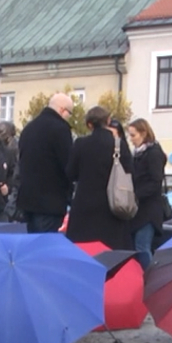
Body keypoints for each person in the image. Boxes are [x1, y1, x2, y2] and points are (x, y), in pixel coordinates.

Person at [66, 106, 134, 250]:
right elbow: (129, 170)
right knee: (112, 252)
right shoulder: (119, 145)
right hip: (112, 206)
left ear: (89, 124)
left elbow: (70, 173)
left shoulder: (81, 144)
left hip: (84, 207)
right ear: (108, 121)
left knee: (84, 250)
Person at [17, 93, 74, 232]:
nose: (69, 118)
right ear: (62, 110)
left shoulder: (29, 128)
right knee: (45, 247)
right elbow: (68, 164)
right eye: (70, 113)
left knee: (32, 245)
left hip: (28, 200)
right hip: (50, 202)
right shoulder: (60, 128)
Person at [127, 118, 166, 270]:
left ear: (144, 133)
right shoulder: (137, 154)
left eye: (133, 135)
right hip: (138, 209)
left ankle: (150, 278)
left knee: (142, 246)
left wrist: (135, 195)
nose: (131, 139)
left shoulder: (154, 153)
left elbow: (156, 182)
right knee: (138, 247)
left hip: (149, 209)